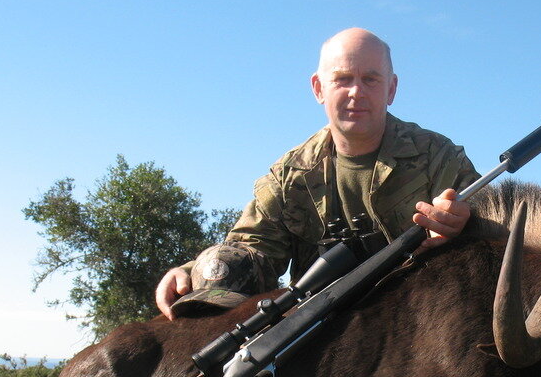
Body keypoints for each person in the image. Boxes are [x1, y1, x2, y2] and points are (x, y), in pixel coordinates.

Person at [156, 28, 480, 319]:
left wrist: (465, 224)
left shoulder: (438, 157)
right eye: (342, 79)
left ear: (391, 89)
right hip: (319, 323)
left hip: (420, 317)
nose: (356, 92)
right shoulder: (289, 174)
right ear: (318, 88)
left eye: (370, 79)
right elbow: (252, 248)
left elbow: (496, 231)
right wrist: (193, 273)